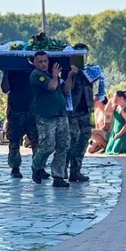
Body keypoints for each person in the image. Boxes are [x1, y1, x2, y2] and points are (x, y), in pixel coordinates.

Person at [30, 51, 73, 186]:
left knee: (63, 145)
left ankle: (58, 176)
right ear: (35, 63)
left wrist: (70, 75)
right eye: (40, 62)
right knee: (47, 146)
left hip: (60, 114)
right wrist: (55, 75)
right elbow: (52, 86)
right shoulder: (37, 75)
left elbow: (66, 90)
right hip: (46, 116)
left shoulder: (51, 75)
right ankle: (36, 166)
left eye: (45, 61)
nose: (43, 64)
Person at [1, 67, 39, 179]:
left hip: (32, 110)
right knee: (14, 142)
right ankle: (15, 168)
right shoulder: (12, 69)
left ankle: (38, 168)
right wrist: (6, 71)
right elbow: (5, 88)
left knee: (37, 142)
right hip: (16, 111)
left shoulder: (35, 68)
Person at [66, 50, 95, 182]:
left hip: (85, 111)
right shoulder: (68, 71)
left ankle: (76, 171)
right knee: (72, 140)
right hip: (72, 112)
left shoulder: (89, 72)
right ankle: (63, 168)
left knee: (83, 141)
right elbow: (67, 89)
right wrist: (73, 74)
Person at [105, 91, 126, 155]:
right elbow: (106, 110)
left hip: (123, 133)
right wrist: (111, 100)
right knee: (109, 150)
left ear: (121, 98)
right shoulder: (115, 107)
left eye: (115, 98)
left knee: (116, 150)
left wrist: (119, 134)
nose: (114, 100)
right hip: (115, 133)